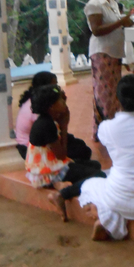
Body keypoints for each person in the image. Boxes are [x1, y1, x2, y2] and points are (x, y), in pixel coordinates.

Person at [76, 74, 134, 241]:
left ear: (117, 98)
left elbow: (105, 143)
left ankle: (106, 218)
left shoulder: (107, 128)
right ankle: (108, 220)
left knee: (88, 184)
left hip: (119, 198)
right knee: (112, 175)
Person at [25, 85, 104, 217]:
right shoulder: (47, 124)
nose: (64, 103)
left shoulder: (47, 119)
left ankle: (59, 184)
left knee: (94, 165)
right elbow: (62, 155)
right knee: (99, 175)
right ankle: (61, 194)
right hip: (48, 170)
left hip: (50, 165)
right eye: (60, 101)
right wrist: (64, 125)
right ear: (51, 107)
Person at [84, 0, 134, 140]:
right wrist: (121, 22)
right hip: (102, 53)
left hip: (113, 53)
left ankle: (111, 128)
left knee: (113, 92)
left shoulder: (111, 2)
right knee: (104, 93)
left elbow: (115, 21)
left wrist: (126, 20)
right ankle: (103, 131)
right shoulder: (94, 4)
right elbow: (97, 30)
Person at [15, 71, 92, 161]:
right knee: (81, 153)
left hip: (47, 136)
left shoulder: (41, 102)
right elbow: (54, 130)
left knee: (80, 146)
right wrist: (64, 125)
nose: (58, 90)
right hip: (31, 148)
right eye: (54, 87)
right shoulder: (37, 110)